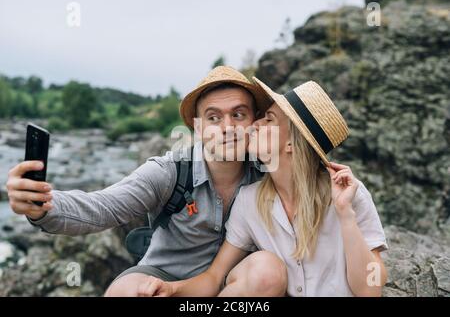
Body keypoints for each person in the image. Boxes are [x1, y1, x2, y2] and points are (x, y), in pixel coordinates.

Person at [6, 66, 290, 297]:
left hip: (237, 286)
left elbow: (309, 178)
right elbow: (104, 207)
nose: (228, 127)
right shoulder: (169, 172)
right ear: (198, 128)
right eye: (214, 117)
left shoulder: (271, 171)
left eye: (238, 115)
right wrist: (42, 206)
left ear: (254, 120)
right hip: (164, 277)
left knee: (268, 271)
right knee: (126, 292)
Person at [133, 78, 388, 297]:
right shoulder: (250, 200)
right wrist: (172, 289)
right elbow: (214, 278)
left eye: (269, 120)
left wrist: (345, 215)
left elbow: (370, 289)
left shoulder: (348, 194)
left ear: (290, 144)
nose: (255, 124)